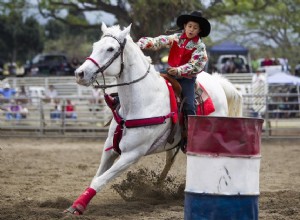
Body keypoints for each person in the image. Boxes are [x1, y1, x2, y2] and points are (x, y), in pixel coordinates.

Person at [137, 11, 210, 117]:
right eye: (190, 26)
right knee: (147, 83)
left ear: (199, 30)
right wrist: (141, 44)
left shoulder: (200, 46)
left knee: (189, 105)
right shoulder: (176, 38)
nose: (191, 29)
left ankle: (190, 130)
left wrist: (178, 70)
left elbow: (196, 65)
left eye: (195, 28)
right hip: (170, 73)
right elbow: (159, 41)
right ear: (185, 26)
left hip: (186, 79)